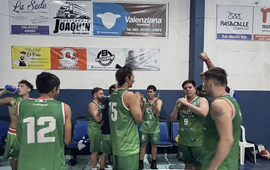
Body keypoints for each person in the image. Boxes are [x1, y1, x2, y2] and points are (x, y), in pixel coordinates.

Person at [16, 72, 72, 170]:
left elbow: (20, 136)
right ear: (55, 89)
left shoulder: (20, 105)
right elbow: (67, 140)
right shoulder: (64, 107)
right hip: (53, 163)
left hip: (27, 163)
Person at [201, 67, 242, 170]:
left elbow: (227, 139)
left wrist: (212, 167)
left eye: (204, 82)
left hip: (220, 166)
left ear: (209, 82)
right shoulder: (230, 100)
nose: (203, 86)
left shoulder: (219, 105)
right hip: (228, 163)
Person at [109, 64, 142, 170]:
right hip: (128, 146)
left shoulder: (113, 95)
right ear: (127, 78)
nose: (134, 80)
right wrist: (137, 100)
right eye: (133, 77)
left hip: (116, 144)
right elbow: (138, 119)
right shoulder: (129, 95)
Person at [170, 80, 209, 170]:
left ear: (195, 89)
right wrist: (176, 108)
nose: (188, 90)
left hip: (198, 141)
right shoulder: (182, 103)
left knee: (199, 166)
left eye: (190, 87)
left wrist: (187, 104)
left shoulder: (201, 100)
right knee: (187, 166)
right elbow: (173, 119)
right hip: (184, 140)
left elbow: (204, 113)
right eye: (185, 88)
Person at [0, 80, 33, 170]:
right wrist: (5, 91)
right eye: (18, 86)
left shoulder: (33, 102)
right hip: (14, 133)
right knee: (15, 158)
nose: (19, 88)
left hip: (27, 133)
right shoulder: (12, 100)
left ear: (28, 89)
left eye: (22, 86)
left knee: (27, 157)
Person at [139, 85, 162, 170]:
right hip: (144, 126)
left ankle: (153, 162)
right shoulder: (143, 100)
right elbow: (141, 113)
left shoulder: (159, 101)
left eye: (151, 92)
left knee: (154, 145)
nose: (149, 93)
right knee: (143, 145)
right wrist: (144, 103)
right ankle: (141, 163)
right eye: (148, 91)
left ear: (154, 92)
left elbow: (157, 114)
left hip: (154, 127)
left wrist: (155, 104)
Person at [100, 84, 117, 170]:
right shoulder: (113, 101)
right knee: (114, 153)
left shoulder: (104, 100)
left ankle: (101, 168)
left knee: (105, 153)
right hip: (113, 130)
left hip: (105, 129)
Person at [87, 87, 104, 170]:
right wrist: (105, 111)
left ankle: (98, 164)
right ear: (95, 95)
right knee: (95, 150)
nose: (103, 95)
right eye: (101, 94)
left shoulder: (100, 104)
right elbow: (97, 119)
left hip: (100, 129)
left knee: (102, 149)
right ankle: (93, 168)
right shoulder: (92, 105)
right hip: (94, 129)